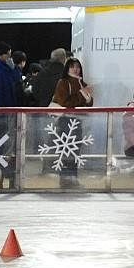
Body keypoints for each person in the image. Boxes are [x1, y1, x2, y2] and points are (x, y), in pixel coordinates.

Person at [50, 56, 94, 188]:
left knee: (74, 150)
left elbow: (89, 105)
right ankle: (66, 179)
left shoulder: (83, 84)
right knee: (67, 150)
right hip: (65, 120)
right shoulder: (63, 82)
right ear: (67, 68)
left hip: (79, 121)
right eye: (72, 66)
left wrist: (87, 97)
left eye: (78, 67)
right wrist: (82, 94)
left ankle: (71, 179)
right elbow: (65, 103)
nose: (76, 69)